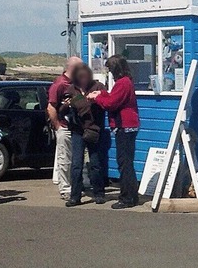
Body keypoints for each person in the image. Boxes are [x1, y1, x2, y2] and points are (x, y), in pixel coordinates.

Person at [87, 55, 140, 209]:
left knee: (124, 164)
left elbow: (111, 103)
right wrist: (101, 94)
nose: (109, 72)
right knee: (127, 163)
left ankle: (127, 198)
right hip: (129, 126)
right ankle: (132, 195)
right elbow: (111, 98)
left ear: (115, 69)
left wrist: (97, 98)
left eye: (110, 68)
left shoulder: (122, 83)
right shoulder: (125, 82)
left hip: (125, 126)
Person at [61, 63, 106, 207]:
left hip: (93, 129)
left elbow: (105, 104)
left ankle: (99, 193)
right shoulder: (71, 89)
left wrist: (84, 100)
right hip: (77, 130)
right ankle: (75, 196)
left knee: (95, 163)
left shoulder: (98, 87)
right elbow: (61, 110)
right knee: (76, 164)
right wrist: (67, 104)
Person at [47, 57, 83, 200]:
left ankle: (76, 185)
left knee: (76, 159)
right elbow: (51, 106)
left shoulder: (76, 84)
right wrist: (57, 126)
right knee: (65, 158)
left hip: (76, 127)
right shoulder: (60, 84)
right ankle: (65, 188)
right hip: (64, 126)